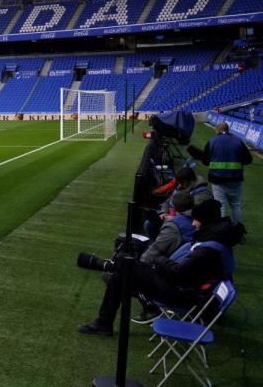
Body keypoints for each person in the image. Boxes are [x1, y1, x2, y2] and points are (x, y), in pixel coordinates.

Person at [78, 200, 246, 336]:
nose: (193, 224)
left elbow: (178, 274)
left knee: (125, 265)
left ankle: (105, 321)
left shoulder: (209, 248)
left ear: (205, 221)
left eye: (196, 220)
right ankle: (104, 322)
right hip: (191, 291)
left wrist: (159, 260)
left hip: (186, 296)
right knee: (122, 273)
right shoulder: (216, 241)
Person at [194, 122, 252, 223]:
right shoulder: (238, 141)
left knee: (220, 205)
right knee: (236, 205)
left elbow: (205, 162)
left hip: (217, 179)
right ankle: (236, 228)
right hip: (235, 179)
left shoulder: (212, 141)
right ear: (228, 130)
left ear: (217, 130)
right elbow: (248, 160)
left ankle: (220, 230)